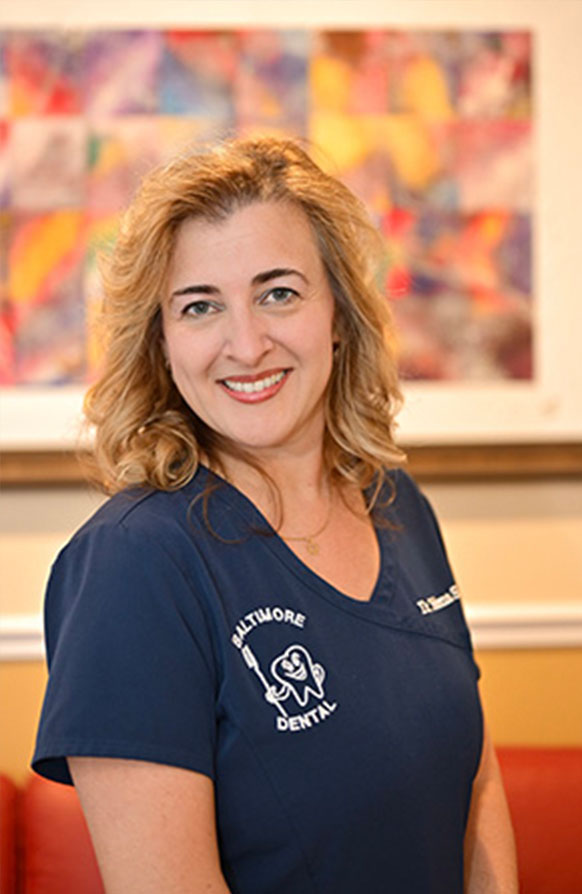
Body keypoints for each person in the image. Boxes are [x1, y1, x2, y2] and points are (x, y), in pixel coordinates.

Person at [33, 137, 517, 893]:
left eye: (279, 292)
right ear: (162, 344)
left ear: (337, 313)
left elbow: (476, 780)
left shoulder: (399, 506)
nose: (247, 344)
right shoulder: (133, 566)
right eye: (200, 306)